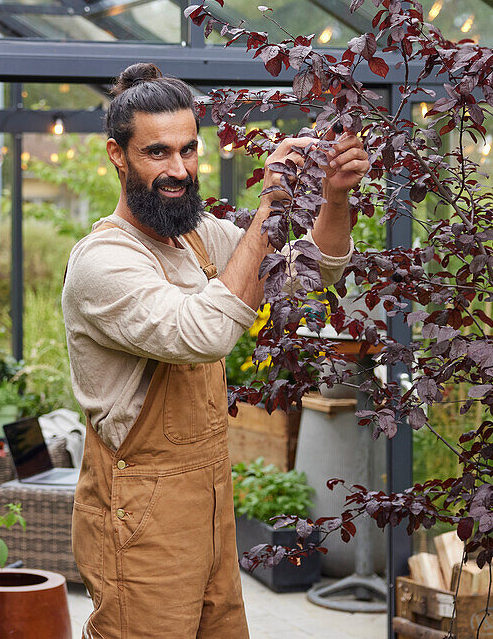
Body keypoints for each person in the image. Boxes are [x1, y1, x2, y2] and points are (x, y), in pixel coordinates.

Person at [62, 63, 368, 638]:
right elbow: (203, 334)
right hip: (141, 512)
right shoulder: (103, 261)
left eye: (188, 150)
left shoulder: (201, 238)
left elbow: (310, 270)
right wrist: (271, 207)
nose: (178, 170)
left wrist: (333, 198)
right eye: (157, 153)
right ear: (117, 156)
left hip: (209, 499)